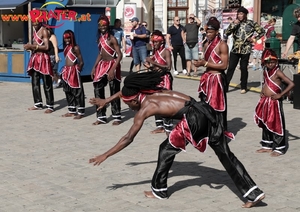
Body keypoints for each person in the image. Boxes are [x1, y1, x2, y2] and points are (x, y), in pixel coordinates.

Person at [89, 71, 265, 208]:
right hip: (205, 110)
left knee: (165, 150)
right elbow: (123, 92)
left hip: (193, 118)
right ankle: (253, 192)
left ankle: (159, 190)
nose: (130, 108)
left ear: (135, 99)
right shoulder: (151, 92)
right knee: (226, 154)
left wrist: (105, 155)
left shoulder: (146, 107)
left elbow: (128, 138)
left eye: (129, 105)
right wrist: (106, 100)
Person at [194, 17, 234, 141]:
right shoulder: (206, 44)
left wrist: (204, 64)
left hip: (217, 78)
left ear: (217, 32)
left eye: (211, 32)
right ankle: (207, 130)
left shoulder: (222, 45)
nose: (208, 34)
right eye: (207, 32)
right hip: (207, 77)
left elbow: (224, 65)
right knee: (205, 105)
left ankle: (219, 132)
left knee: (217, 106)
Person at [254, 49, 294, 157]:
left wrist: (281, 94)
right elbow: (265, 83)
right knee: (266, 122)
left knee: (276, 123)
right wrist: (263, 91)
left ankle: (279, 147)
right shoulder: (265, 71)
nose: (271, 64)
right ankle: (267, 144)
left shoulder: (278, 72)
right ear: (265, 63)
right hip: (266, 101)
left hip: (275, 101)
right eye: (268, 62)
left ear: (276, 62)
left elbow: (291, 84)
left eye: (273, 62)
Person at [224, 7, 265, 94]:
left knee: (243, 68)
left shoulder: (251, 23)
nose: (240, 16)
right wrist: (233, 24)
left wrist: (253, 39)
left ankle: (243, 86)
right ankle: (225, 86)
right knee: (231, 68)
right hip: (235, 49)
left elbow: (261, 31)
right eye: (238, 14)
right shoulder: (235, 23)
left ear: (245, 15)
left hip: (245, 49)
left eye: (241, 14)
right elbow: (226, 33)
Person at [91, 15, 122, 125]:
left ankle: (117, 115)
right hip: (102, 65)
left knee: (114, 90)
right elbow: (100, 54)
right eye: (100, 25)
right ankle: (101, 116)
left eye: (104, 25)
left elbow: (119, 55)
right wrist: (94, 67)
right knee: (97, 88)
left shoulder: (112, 38)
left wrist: (113, 69)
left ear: (107, 25)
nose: (102, 27)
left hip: (112, 64)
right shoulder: (100, 39)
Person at [144, 30, 173, 134]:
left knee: (165, 102)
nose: (154, 44)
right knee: (155, 101)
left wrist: (152, 62)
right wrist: (150, 67)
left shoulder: (166, 51)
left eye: (156, 42)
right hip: (156, 79)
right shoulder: (155, 52)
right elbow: (156, 67)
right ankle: (159, 125)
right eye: (153, 42)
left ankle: (168, 125)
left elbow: (168, 67)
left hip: (165, 79)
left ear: (161, 42)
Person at [24, 16, 54, 113]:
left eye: (36, 21)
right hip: (35, 58)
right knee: (35, 82)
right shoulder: (35, 32)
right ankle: (38, 103)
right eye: (33, 21)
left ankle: (50, 105)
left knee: (47, 83)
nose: (35, 23)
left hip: (43, 58)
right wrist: (30, 47)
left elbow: (46, 47)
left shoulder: (44, 31)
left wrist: (32, 46)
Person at [60, 30, 85, 119]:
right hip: (66, 70)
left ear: (72, 38)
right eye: (65, 38)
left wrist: (78, 69)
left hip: (74, 70)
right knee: (68, 91)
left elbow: (81, 61)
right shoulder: (66, 47)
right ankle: (71, 110)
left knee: (77, 91)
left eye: (68, 38)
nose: (67, 40)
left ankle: (81, 111)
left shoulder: (75, 48)